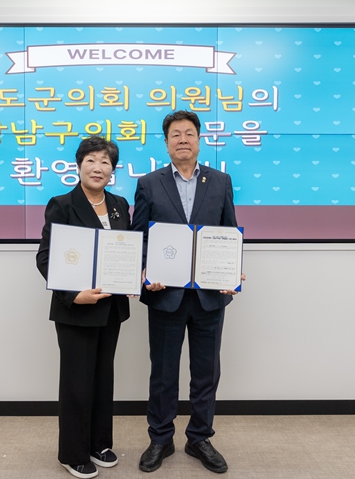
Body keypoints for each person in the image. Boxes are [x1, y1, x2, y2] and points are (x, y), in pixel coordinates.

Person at [132, 110, 244, 474]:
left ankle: (199, 438)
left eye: (189, 133)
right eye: (176, 134)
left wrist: (232, 271)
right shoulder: (149, 183)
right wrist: (145, 270)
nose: (183, 139)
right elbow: (140, 237)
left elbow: (229, 232)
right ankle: (160, 438)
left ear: (199, 140)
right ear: (166, 143)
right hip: (165, 295)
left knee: (206, 372)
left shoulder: (221, 181)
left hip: (210, 296)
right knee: (163, 373)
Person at [36, 136, 132, 479]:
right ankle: (73, 452)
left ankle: (99, 443)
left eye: (105, 162)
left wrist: (132, 277)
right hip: (76, 309)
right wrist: (73, 294)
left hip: (111, 309)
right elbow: (45, 257)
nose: (98, 167)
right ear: (79, 166)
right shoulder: (62, 204)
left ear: (112, 170)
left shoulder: (120, 204)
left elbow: (125, 250)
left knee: (103, 379)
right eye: (91, 160)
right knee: (77, 383)